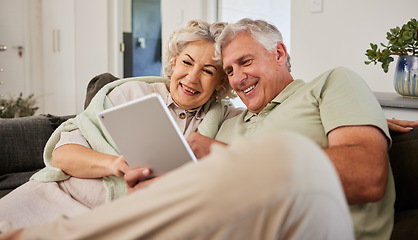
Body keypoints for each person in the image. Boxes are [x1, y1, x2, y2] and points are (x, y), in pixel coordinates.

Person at [0, 20, 241, 232]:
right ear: (174, 61)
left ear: (221, 81)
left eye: (207, 71)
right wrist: (116, 165)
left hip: (112, 219)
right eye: (187, 63)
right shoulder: (130, 93)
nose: (191, 77)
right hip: (56, 196)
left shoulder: (223, 121)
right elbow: (61, 155)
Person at [185, 18, 403, 240]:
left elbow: (366, 176)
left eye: (246, 62)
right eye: (229, 71)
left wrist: (230, 159)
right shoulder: (228, 121)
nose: (238, 79)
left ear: (279, 54)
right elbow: (175, 87)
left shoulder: (330, 84)